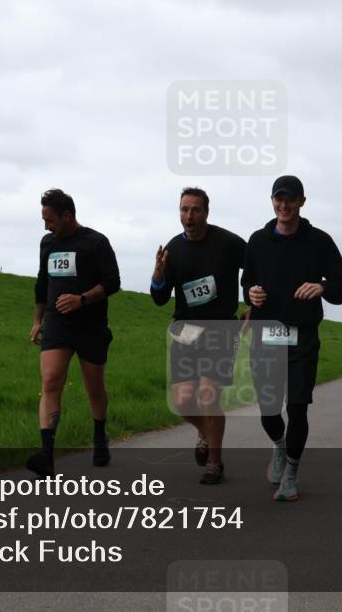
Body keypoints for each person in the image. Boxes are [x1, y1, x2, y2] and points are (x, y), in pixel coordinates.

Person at [242, 175, 342, 501]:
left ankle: (291, 472)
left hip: (302, 335)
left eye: (291, 199)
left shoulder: (319, 241)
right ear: (272, 200)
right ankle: (279, 447)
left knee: (298, 407)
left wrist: (322, 286)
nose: (284, 205)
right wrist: (251, 293)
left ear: (302, 201)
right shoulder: (258, 241)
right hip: (266, 333)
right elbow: (247, 279)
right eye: (279, 198)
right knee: (268, 409)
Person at [150, 188, 246, 484]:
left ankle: (214, 463)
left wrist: (252, 308)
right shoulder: (173, 250)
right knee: (182, 401)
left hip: (220, 329)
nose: (189, 216)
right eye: (184, 210)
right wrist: (158, 274)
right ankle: (205, 431)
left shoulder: (228, 243)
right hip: (185, 330)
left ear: (206, 212)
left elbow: (257, 271)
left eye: (195, 210)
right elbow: (159, 299)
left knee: (208, 393)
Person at [27, 189, 121, 478]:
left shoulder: (95, 242)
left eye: (50, 219)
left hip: (90, 325)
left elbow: (113, 282)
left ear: (67, 216)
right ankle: (47, 456)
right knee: (51, 380)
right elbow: (42, 283)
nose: (46, 226)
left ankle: (99, 436)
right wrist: (37, 320)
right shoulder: (47, 243)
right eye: (44, 220)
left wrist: (81, 299)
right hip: (57, 324)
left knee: (94, 388)